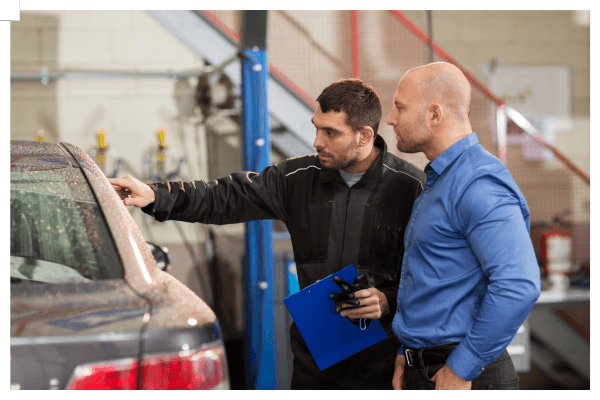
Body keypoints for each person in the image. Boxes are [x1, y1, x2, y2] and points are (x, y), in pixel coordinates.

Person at [108, 78, 426, 390]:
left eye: (330, 132)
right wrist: (153, 195)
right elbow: (223, 196)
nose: (317, 141)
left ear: (364, 135)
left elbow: (434, 276)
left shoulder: (411, 188)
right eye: (316, 127)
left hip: (382, 360)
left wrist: (390, 300)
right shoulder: (296, 178)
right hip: (315, 355)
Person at [386, 62, 542, 390]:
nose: (391, 119)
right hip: (427, 367)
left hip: (464, 375)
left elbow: (518, 284)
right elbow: (435, 283)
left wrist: (461, 367)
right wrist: (410, 352)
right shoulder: (440, 181)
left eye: (400, 107)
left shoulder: (478, 183)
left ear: (435, 114)